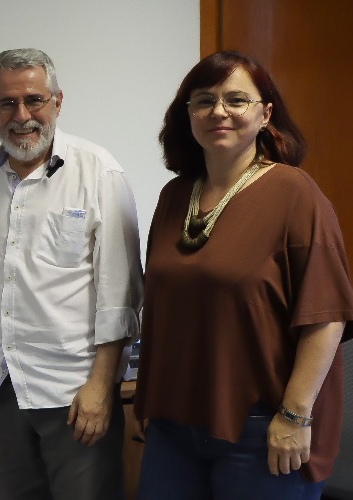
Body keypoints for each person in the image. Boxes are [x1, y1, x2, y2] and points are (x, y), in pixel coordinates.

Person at [134, 51, 353, 499]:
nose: (219, 112)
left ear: (265, 113)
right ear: (188, 114)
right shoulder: (174, 196)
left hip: (263, 427)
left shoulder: (294, 193)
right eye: (203, 100)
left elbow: (326, 315)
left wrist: (294, 416)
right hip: (173, 422)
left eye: (236, 100)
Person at [0, 48, 144, 500]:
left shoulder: (100, 172)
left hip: (73, 391)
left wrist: (102, 386)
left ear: (57, 102)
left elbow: (121, 294)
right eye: (7, 103)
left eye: (34, 100)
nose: (22, 115)